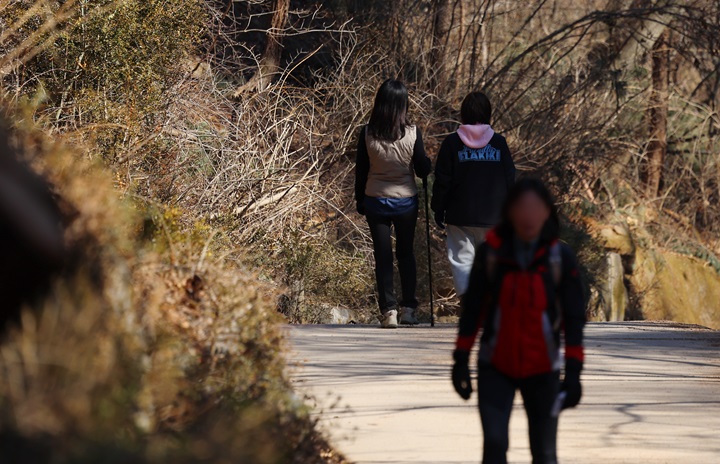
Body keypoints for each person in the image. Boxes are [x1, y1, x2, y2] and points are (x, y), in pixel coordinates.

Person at [450, 178, 586, 464]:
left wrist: (573, 372)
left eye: (536, 209)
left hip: (543, 369)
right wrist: (460, 359)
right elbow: (472, 310)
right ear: (509, 211)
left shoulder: (560, 258)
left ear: (547, 212)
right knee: (495, 447)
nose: (529, 216)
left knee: (545, 454)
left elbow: (574, 319)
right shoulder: (490, 254)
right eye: (522, 208)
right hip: (495, 366)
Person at [355, 79, 432, 328]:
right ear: (403, 104)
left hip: (375, 201)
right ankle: (409, 308)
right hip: (406, 203)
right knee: (406, 254)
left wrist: (360, 200)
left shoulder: (366, 133)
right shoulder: (412, 133)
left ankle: (389, 311)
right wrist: (426, 163)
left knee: (383, 257)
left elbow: (361, 171)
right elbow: (421, 170)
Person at [432, 91, 515, 297]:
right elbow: (510, 179)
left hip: (460, 215)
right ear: (488, 114)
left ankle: (469, 304)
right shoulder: (499, 143)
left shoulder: (451, 144)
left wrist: (438, 208)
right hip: (494, 217)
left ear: (463, 114)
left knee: (463, 261)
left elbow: (443, 180)